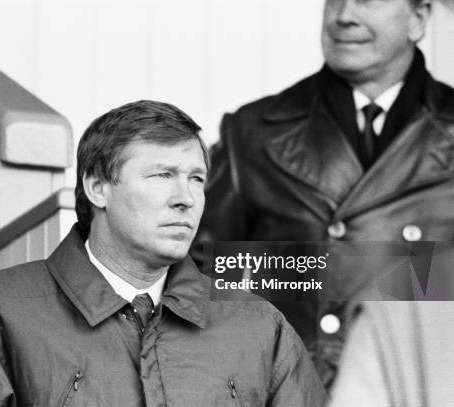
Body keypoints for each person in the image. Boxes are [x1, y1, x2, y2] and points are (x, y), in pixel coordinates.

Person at [0, 100, 327, 406]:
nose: (186, 198)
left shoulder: (260, 326)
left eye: (196, 178)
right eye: (162, 175)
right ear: (97, 188)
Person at [193, 0, 454, 388]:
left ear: (418, 20)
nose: (344, 15)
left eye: (367, 1)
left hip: (413, 384)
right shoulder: (252, 133)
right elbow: (203, 282)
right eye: (334, 0)